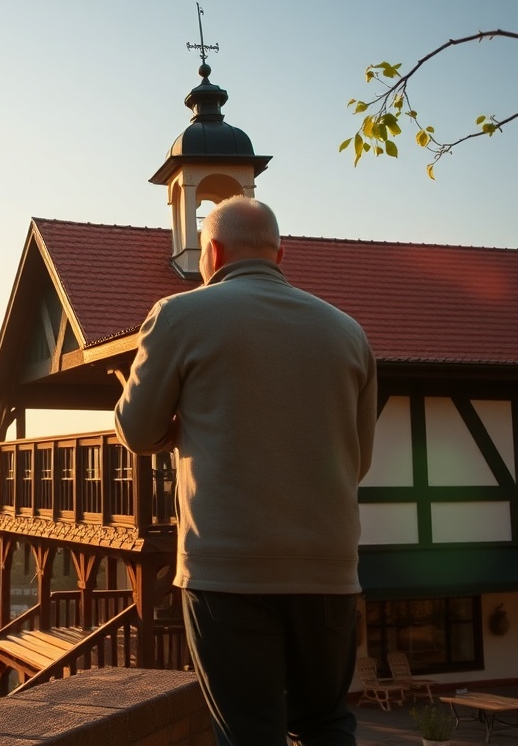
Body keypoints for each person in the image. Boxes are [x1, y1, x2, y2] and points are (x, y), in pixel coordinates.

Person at [114, 196, 377, 746]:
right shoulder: (348, 331)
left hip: (227, 570)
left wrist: (178, 424)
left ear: (211, 251)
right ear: (280, 254)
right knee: (327, 725)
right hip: (328, 571)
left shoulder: (178, 315)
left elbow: (137, 430)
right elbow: (359, 460)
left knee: (249, 734)